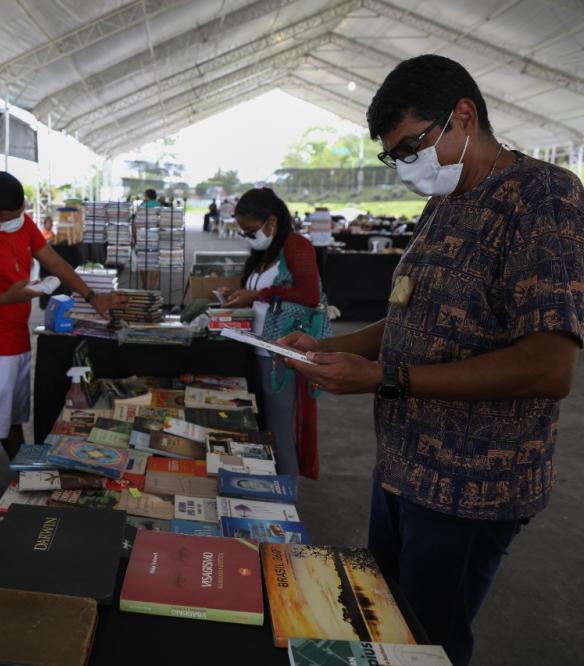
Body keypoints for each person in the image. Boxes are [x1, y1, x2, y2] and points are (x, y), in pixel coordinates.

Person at [279, 55, 584, 666]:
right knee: (384, 627)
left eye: (413, 145)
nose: (408, 166)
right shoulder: (445, 201)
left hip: (471, 486)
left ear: (463, 116)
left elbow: (549, 367)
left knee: (427, 643)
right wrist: (328, 348)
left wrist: (386, 379)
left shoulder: (542, 197)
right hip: (402, 469)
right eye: (395, 155)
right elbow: (415, 319)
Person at [0, 172, 125, 524]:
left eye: (20, 212)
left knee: (11, 419)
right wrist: (6, 297)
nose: (16, 221)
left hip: (17, 341)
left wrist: (92, 296)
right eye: (9, 216)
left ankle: (26, 476)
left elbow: (55, 262)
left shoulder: (22, 224)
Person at [217, 188, 323, 483]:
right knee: (261, 426)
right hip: (254, 348)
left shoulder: (295, 245)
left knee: (279, 429)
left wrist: (258, 293)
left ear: (271, 221)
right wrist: (243, 295)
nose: (249, 236)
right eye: (244, 232)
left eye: (251, 230)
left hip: (279, 355)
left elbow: (310, 294)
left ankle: (286, 495)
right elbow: (261, 294)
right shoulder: (264, 252)